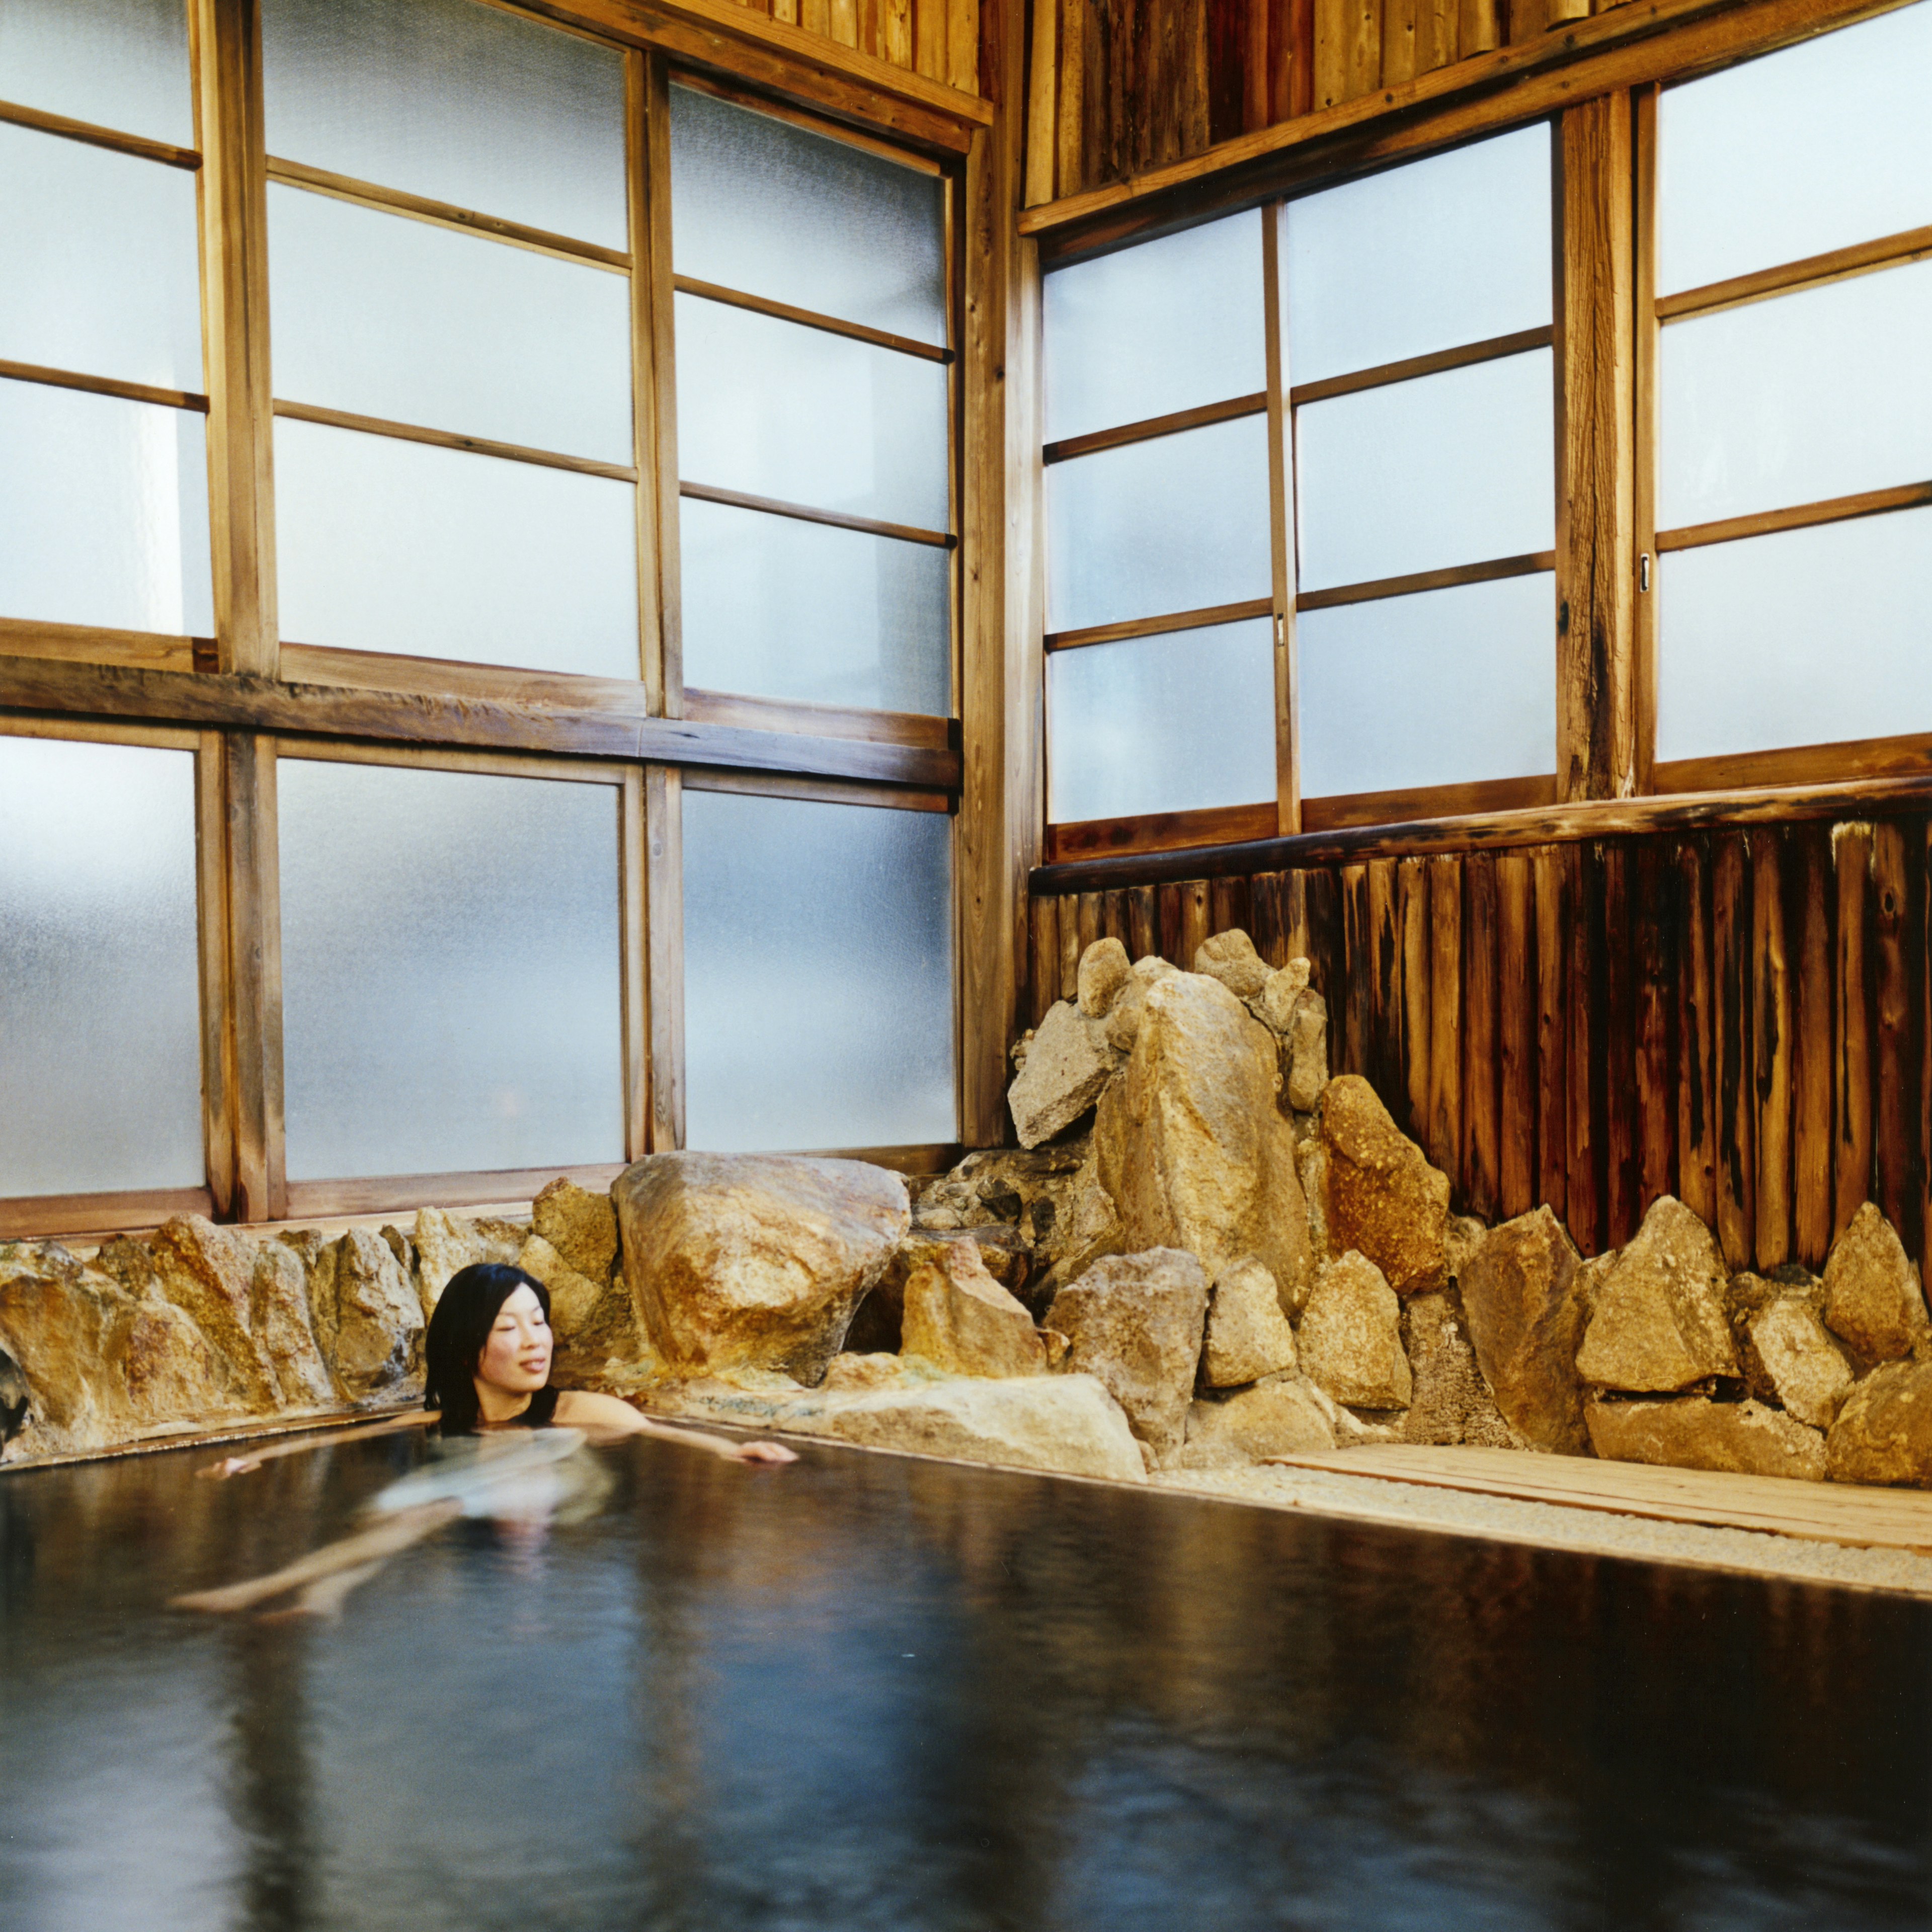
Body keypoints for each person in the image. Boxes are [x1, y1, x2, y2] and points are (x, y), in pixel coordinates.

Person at [174, 1263, 795, 1619]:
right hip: (476, 1506)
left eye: (539, 1321)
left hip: (548, 1493)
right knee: (402, 1514)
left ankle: (278, 1589)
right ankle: (325, 1590)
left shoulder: (578, 1410)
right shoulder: (442, 1421)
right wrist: (252, 1458)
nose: (536, 1340)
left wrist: (733, 1451)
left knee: (431, 1509)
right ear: (467, 1344)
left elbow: (660, 1434)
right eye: (509, 1327)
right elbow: (353, 1436)